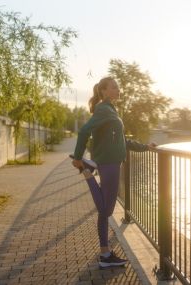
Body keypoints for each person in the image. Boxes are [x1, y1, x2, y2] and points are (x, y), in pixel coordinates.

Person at [72, 76, 156, 268]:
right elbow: (84, 131)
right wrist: (77, 157)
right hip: (109, 163)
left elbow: (122, 141)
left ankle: (105, 254)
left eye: (118, 86)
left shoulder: (110, 110)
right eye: (114, 87)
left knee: (104, 213)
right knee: (106, 210)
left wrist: (145, 147)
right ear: (104, 91)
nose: (118, 89)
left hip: (110, 161)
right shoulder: (103, 109)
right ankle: (86, 171)